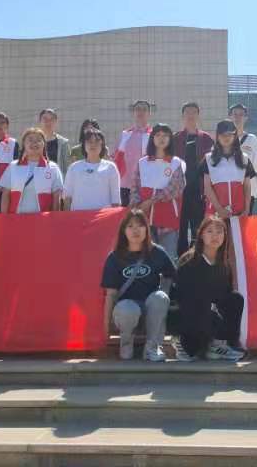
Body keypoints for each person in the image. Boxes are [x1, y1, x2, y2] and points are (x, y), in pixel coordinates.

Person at [101, 209, 175, 361]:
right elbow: (110, 294)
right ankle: (126, 345)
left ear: (147, 229)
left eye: (140, 225)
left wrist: (166, 294)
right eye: (130, 226)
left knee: (160, 297)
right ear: (123, 231)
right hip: (126, 313)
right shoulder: (114, 257)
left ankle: (152, 348)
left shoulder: (157, 252)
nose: (135, 230)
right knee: (127, 308)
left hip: (150, 312)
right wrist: (106, 327)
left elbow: (173, 276)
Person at [173, 215, 245, 362]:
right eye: (210, 231)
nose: (215, 236)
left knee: (235, 298)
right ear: (201, 235)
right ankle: (183, 343)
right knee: (203, 304)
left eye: (219, 232)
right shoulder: (189, 261)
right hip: (187, 317)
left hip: (210, 315)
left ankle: (222, 344)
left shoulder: (223, 264)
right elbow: (183, 298)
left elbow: (225, 296)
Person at [130, 124, 186, 261]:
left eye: (165, 135)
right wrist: (137, 206)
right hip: (144, 221)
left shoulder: (176, 162)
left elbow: (175, 188)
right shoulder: (142, 162)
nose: (162, 138)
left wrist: (150, 201)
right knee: (146, 259)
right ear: (152, 138)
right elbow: (135, 187)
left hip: (168, 221)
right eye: (158, 135)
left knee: (168, 259)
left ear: (170, 139)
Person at [173, 102, 214, 256]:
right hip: (180, 192)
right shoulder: (176, 138)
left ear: (198, 115)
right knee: (180, 228)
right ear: (183, 116)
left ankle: (197, 258)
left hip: (199, 191)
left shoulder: (206, 138)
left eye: (194, 112)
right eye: (187, 112)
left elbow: (212, 166)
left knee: (198, 228)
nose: (190, 115)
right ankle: (181, 260)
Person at [0, 128, 63, 213]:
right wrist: (4, 217)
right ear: (24, 144)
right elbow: (5, 195)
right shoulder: (13, 166)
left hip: (42, 219)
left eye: (38, 140)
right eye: (30, 140)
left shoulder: (53, 168)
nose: (34, 143)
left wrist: (54, 218)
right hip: (16, 218)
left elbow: (56, 197)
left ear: (44, 144)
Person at [201, 120, 257, 218]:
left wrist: (247, 208)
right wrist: (219, 209)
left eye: (229, 134)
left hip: (239, 213)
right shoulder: (208, 159)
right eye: (222, 135)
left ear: (234, 136)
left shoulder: (244, 158)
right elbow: (207, 187)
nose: (226, 138)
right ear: (217, 136)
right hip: (215, 214)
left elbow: (247, 186)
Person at [63, 129, 121, 211]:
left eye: (97, 141)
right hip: (78, 216)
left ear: (102, 145)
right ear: (84, 145)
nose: (93, 144)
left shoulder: (111, 168)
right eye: (89, 142)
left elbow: (116, 200)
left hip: (103, 217)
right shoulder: (74, 168)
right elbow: (67, 198)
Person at [114, 100, 152, 207]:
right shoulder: (125, 134)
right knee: (124, 215)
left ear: (149, 114)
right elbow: (115, 157)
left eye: (144, 109)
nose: (141, 112)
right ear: (134, 113)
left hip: (144, 184)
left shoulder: (154, 135)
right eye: (138, 109)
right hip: (124, 184)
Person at [227, 105, 257, 215]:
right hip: (229, 190)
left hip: (248, 190)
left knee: (246, 222)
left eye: (241, 115)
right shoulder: (224, 139)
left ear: (246, 118)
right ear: (230, 117)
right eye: (235, 114)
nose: (238, 117)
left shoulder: (252, 139)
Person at [38, 108, 71, 177]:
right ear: (40, 121)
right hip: (37, 179)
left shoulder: (63, 143)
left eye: (51, 120)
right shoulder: (32, 141)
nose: (48, 122)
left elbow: (67, 167)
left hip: (56, 180)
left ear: (56, 122)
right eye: (45, 119)